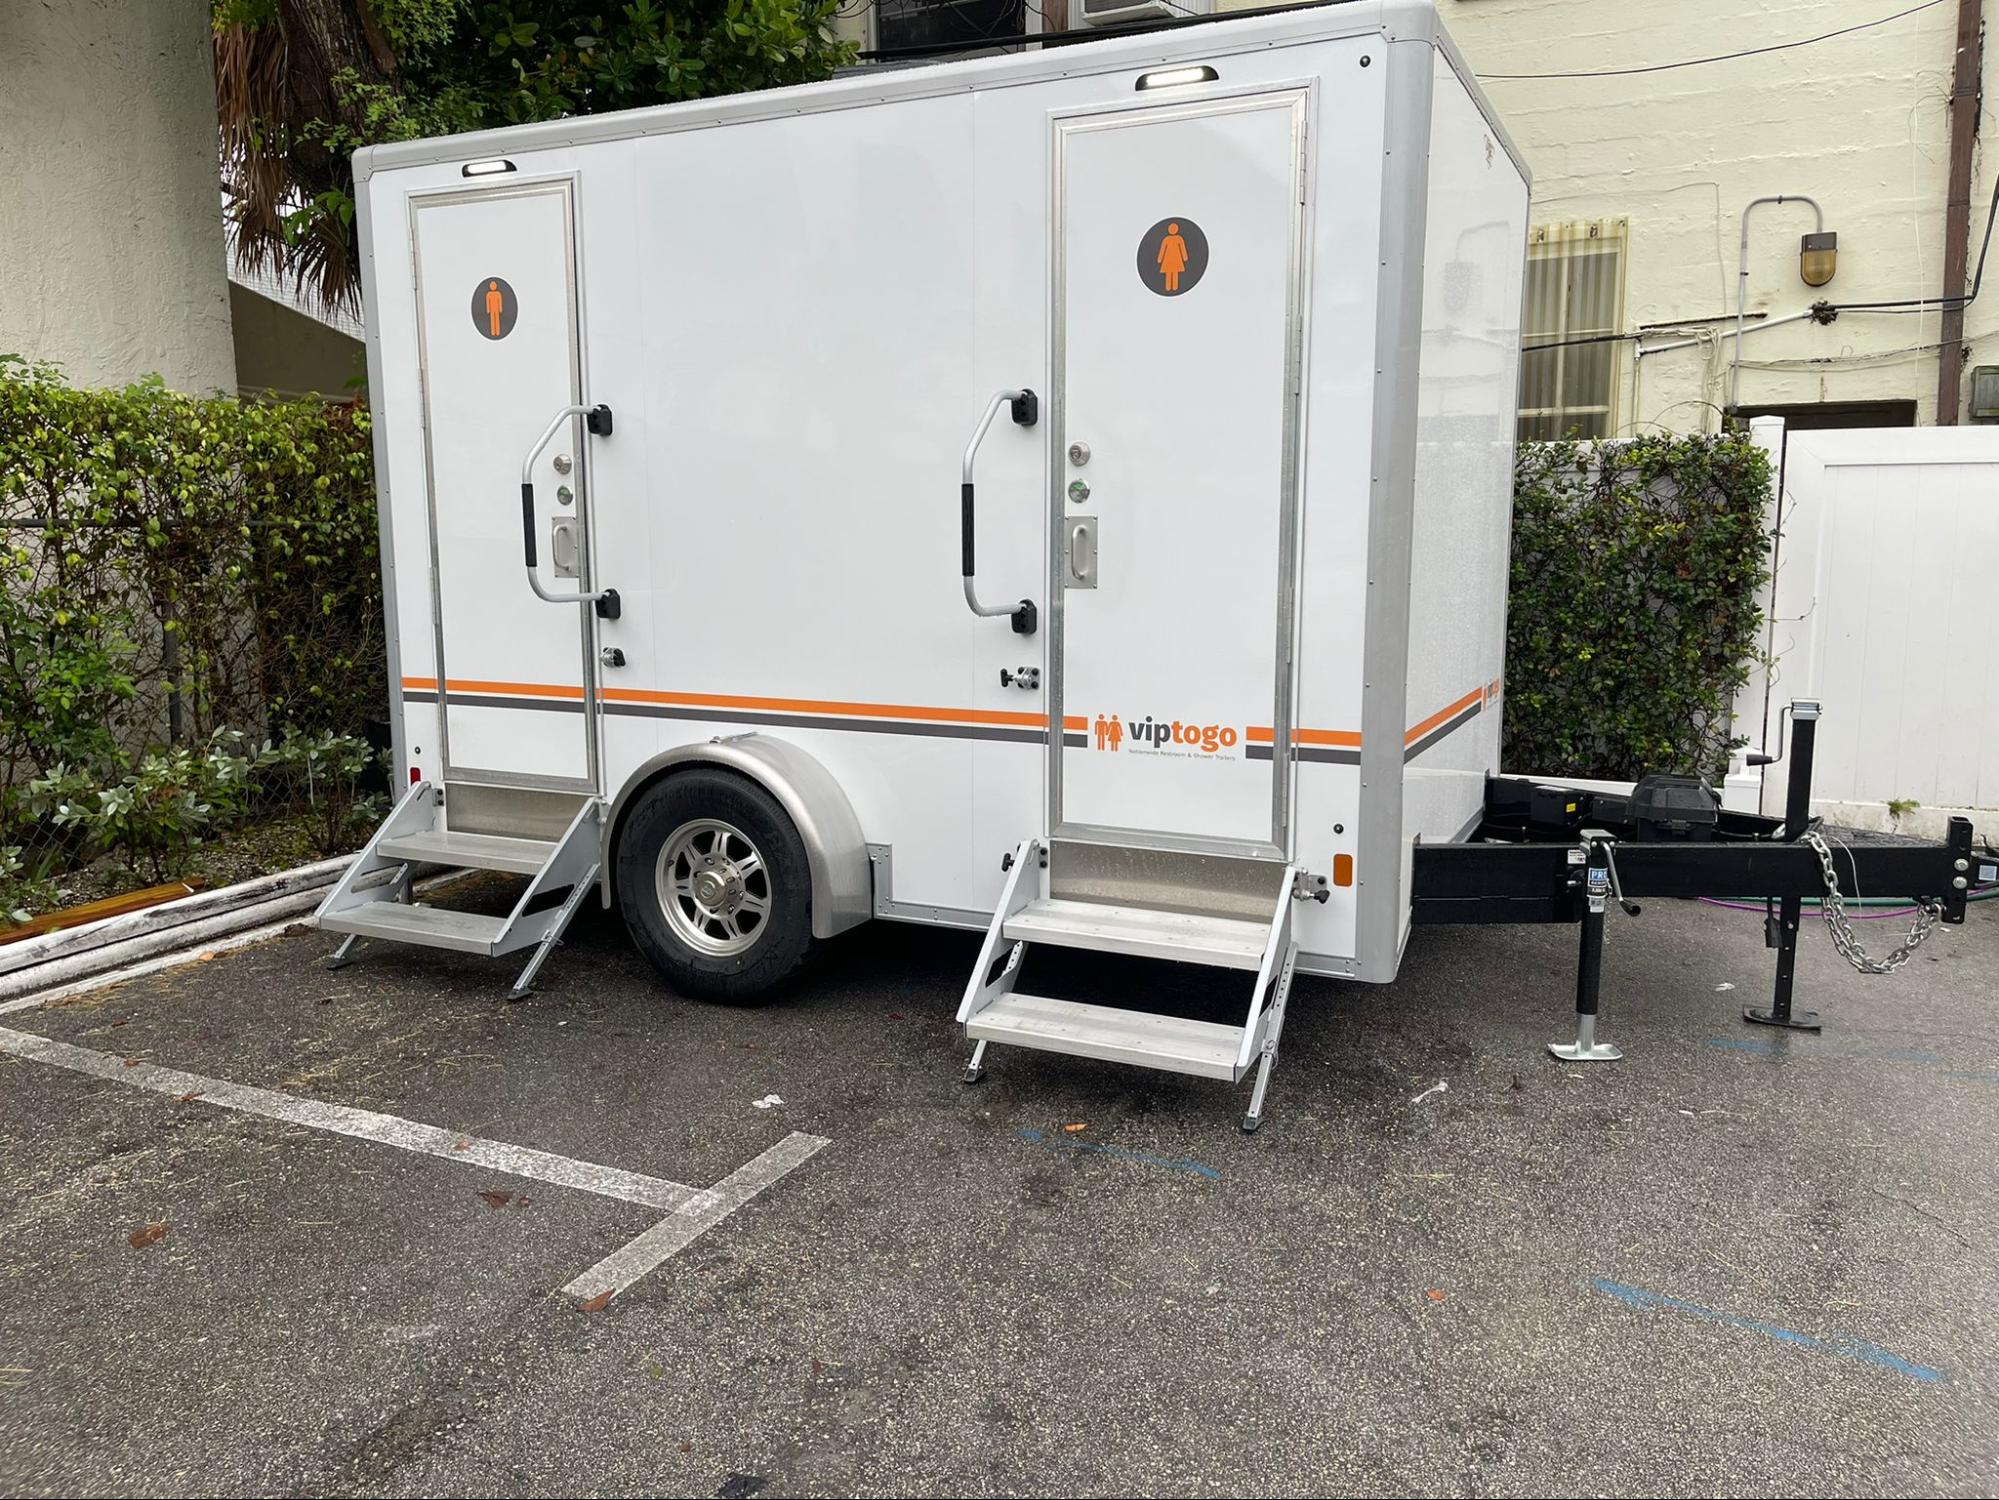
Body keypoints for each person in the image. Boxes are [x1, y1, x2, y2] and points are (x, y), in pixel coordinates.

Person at [1156, 224, 1190, 294]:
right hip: (1169, 259)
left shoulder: (1177, 239)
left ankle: (1172, 287)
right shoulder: (1169, 239)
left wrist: (1185, 257)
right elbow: (1162, 249)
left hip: (1174, 259)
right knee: (1171, 273)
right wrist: (1159, 259)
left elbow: (1182, 249)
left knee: (1174, 273)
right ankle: (1170, 287)